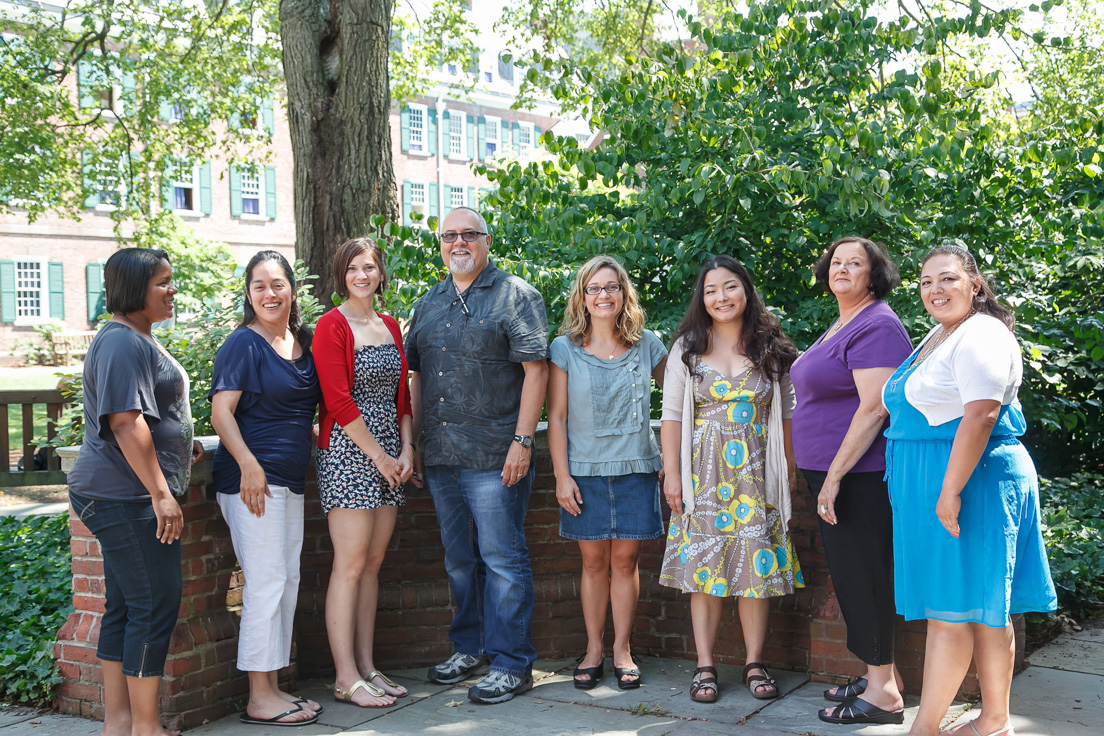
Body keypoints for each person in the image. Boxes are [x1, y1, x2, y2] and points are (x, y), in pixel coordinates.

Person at [882, 245, 1056, 736]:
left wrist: (949, 489)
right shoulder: (942, 334)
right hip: (944, 477)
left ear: (975, 285)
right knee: (977, 606)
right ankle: (995, 722)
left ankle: (927, 729)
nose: (934, 289)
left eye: (948, 279)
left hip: (973, 479)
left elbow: (980, 413)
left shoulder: (982, 333)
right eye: (925, 282)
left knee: (953, 610)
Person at [406, 206, 549, 704]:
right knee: (460, 561)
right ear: (441, 244)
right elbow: (417, 376)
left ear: (487, 241)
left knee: (503, 559)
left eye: (469, 234)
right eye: (450, 236)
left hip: (495, 455)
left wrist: (523, 441)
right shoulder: (429, 303)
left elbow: (536, 371)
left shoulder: (516, 296)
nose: (458, 242)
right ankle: (470, 649)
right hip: (443, 456)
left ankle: (512, 663)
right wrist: (416, 442)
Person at [67, 247, 204, 736]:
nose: (172, 290)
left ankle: (119, 724)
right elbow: (126, 423)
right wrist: (161, 493)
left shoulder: (133, 338)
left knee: (126, 606)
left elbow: (150, 419)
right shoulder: (122, 343)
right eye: (162, 282)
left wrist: (178, 446)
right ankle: (145, 728)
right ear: (133, 289)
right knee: (155, 604)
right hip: (124, 496)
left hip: (125, 489)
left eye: (171, 280)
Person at [658, 254, 803, 704]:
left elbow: (788, 415)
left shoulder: (772, 347)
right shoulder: (686, 347)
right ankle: (705, 665)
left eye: (730, 287)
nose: (721, 297)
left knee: (754, 566)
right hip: (701, 473)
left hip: (757, 474)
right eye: (711, 290)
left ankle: (754, 663)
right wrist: (674, 476)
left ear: (746, 290)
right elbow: (672, 416)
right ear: (702, 299)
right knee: (704, 570)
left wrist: (790, 468)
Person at [789, 237, 912, 725]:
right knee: (853, 576)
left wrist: (834, 477)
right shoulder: (846, 321)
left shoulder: (877, 324)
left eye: (854, 263)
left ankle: (884, 694)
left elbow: (875, 407)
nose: (841, 269)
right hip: (836, 472)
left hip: (858, 475)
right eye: (836, 262)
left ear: (873, 274)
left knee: (862, 577)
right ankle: (885, 675)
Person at [209, 251, 323, 726]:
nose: (269, 294)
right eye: (258, 286)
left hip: (289, 480)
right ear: (249, 294)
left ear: (292, 290)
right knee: (266, 581)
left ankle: (273, 686)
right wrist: (249, 464)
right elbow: (220, 412)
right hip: (250, 481)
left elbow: (307, 415)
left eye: (277, 284)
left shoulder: (303, 342)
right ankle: (259, 697)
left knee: (286, 582)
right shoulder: (243, 345)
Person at [547, 256, 667, 691]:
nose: (603, 295)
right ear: (582, 296)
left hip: (637, 469)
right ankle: (594, 649)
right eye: (594, 288)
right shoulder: (563, 348)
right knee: (594, 562)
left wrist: (670, 459)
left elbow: (678, 401)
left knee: (626, 561)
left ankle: (623, 650)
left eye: (611, 287)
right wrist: (562, 476)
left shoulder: (647, 344)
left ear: (624, 293)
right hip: (584, 474)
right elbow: (555, 417)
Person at [314, 237, 414, 708]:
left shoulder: (391, 325)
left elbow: (402, 399)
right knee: (350, 566)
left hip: (391, 455)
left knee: (372, 566)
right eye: (353, 267)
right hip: (349, 452)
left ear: (380, 273)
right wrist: (380, 456)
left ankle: (368, 667)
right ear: (342, 274)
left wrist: (406, 451)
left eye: (370, 266)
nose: (362, 275)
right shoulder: (330, 326)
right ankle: (345, 676)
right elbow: (336, 399)